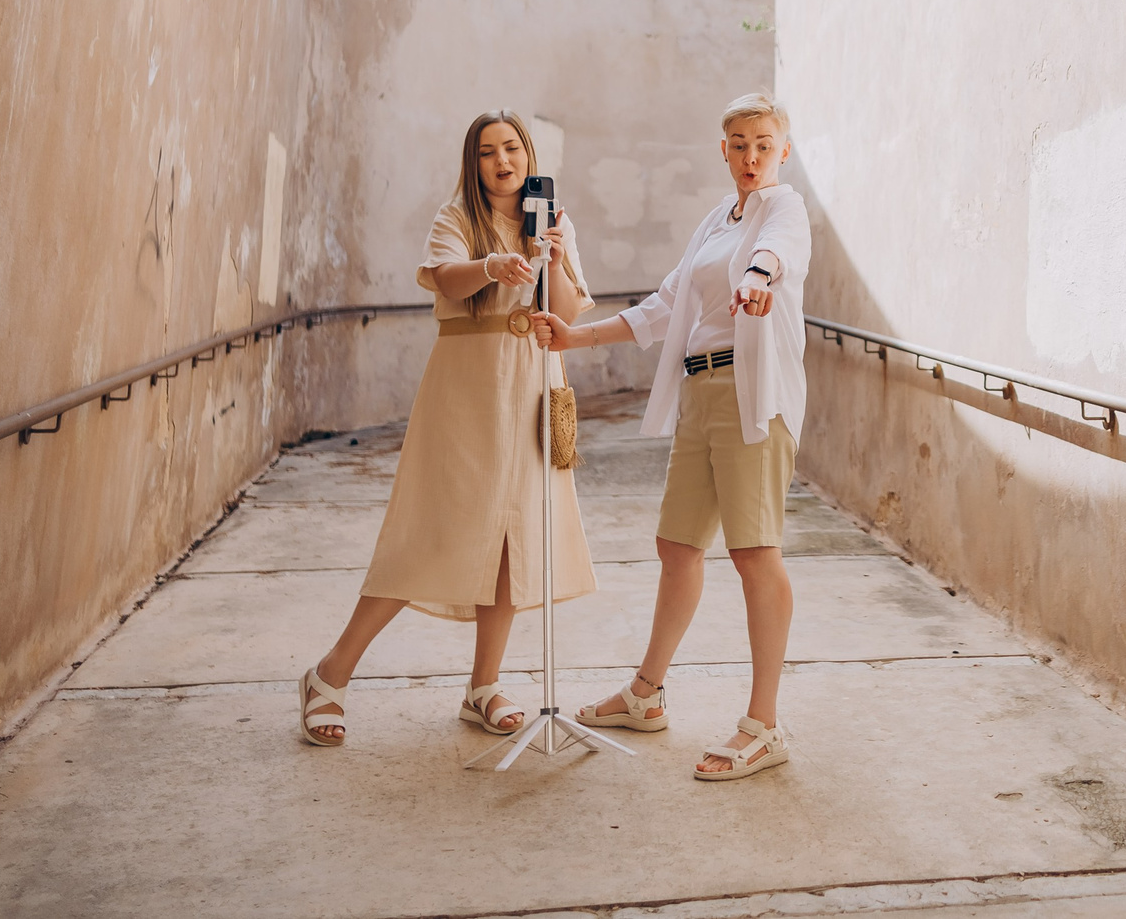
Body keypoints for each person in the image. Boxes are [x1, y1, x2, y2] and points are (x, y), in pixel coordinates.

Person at [297, 109, 596, 747]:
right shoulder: (456, 217)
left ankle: (482, 686)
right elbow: (449, 279)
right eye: (488, 152)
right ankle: (329, 674)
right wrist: (495, 266)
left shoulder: (553, 222)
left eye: (512, 148)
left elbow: (566, 314)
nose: (503, 162)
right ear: (474, 162)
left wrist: (557, 256)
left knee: (516, 540)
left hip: (534, 384)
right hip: (467, 392)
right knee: (427, 533)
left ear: (529, 154)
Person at [534, 92, 809, 780]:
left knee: (754, 551)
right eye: (739, 143)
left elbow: (775, 256)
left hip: (753, 395)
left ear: (783, 149)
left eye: (764, 144)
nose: (751, 156)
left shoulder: (784, 208)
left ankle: (764, 724)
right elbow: (664, 304)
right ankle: (646, 694)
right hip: (701, 390)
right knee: (677, 544)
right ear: (723, 149)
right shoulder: (716, 218)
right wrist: (577, 336)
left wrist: (755, 281)